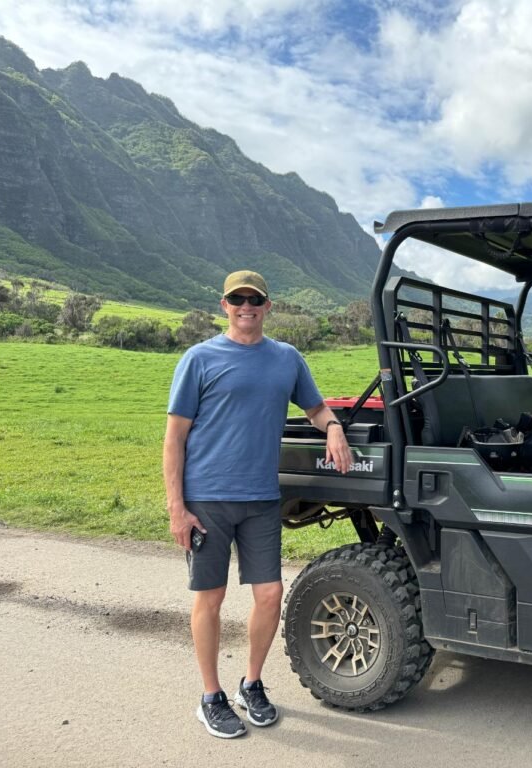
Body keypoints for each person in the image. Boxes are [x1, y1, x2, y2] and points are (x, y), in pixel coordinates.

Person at [163, 270, 351, 739]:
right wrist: (176, 507)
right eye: (237, 299)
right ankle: (211, 697)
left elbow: (315, 407)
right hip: (207, 498)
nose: (246, 306)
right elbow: (175, 437)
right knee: (211, 597)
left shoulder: (287, 359)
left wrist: (333, 427)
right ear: (224, 305)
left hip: (263, 498)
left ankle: (251, 683)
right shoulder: (199, 358)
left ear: (269, 306)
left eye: (255, 299)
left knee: (269, 595)